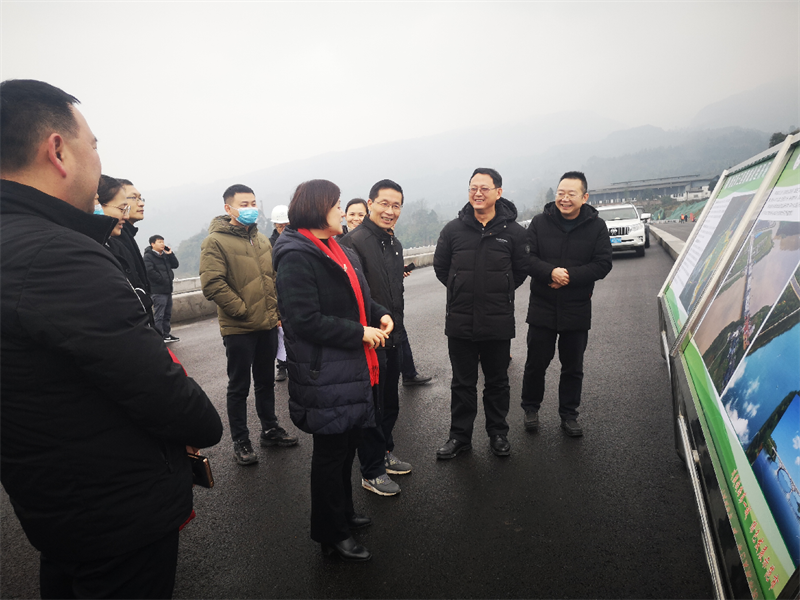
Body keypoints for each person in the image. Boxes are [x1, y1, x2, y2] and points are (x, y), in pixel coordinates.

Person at [0, 79, 223, 600]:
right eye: (94, 145)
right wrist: (202, 426)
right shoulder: (56, 253)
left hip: (51, 499)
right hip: (114, 509)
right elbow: (148, 379)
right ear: (58, 150)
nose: (98, 161)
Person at [273, 179, 393, 562]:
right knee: (330, 453)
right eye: (337, 205)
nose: (342, 211)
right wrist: (360, 332)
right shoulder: (296, 255)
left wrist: (379, 314)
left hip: (351, 367)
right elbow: (304, 320)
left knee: (347, 447)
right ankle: (331, 533)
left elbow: (359, 297)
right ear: (317, 208)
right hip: (325, 372)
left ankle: (344, 513)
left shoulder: (338, 248)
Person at [433, 167, 529, 459]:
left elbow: (520, 271)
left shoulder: (514, 232)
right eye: (473, 188)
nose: (477, 193)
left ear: (498, 192)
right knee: (462, 383)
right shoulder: (453, 230)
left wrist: (501, 288)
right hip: (460, 320)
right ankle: (459, 436)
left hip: (497, 320)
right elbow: (441, 268)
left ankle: (498, 434)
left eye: (484, 188)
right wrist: (460, 287)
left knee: (497, 382)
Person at [200, 184, 297, 466]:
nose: (250, 209)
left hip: (267, 324)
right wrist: (242, 310)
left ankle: (270, 429)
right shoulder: (215, 242)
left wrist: (276, 311)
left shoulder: (262, 240)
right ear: (228, 208)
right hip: (239, 328)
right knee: (239, 386)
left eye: (253, 203)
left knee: (265, 381)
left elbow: (273, 278)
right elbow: (212, 284)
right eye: (244, 204)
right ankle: (241, 440)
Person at [521, 171, 612, 437]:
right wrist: (550, 272)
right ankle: (530, 409)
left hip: (577, 307)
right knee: (536, 363)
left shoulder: (596, 226)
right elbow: (526, 258)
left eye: (571, 194)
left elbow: (603, 264)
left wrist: (568, 276)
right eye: (561, 193)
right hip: (542, 306)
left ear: (584, 197)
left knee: (573, 367)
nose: (564, 199)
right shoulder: (539, 222)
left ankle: (569, 415)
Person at [340, 179, 412, 495]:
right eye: (384, 203)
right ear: (370, 204)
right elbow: (350, 297)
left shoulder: (393, 243)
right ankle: (371, 471)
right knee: (372, 407)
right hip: (369, 341)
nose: (390, 211)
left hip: (393, 335)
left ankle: (384, 452)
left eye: (396, 205)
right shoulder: (352, 243)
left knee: (390, 402)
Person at [144, 234, 180, 343]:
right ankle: (159, 336)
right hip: (158, 291)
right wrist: (163, 280)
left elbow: (175, 265)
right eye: (159, 242)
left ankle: (166, 334)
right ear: (152, 244)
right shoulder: (148, 256)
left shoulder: (164, 255)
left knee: (167, 314)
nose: (162, 244)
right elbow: (149, 272)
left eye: (163, 242)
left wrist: (170, 254)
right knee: (159, 315)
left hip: (167, 289)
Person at [270, 204, 290, 382]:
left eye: (286, 225)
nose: (283, 229)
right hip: (277, 293)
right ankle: (282, 366)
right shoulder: (270, 245)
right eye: (279, 226)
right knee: (281, 333)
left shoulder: (297, 239)